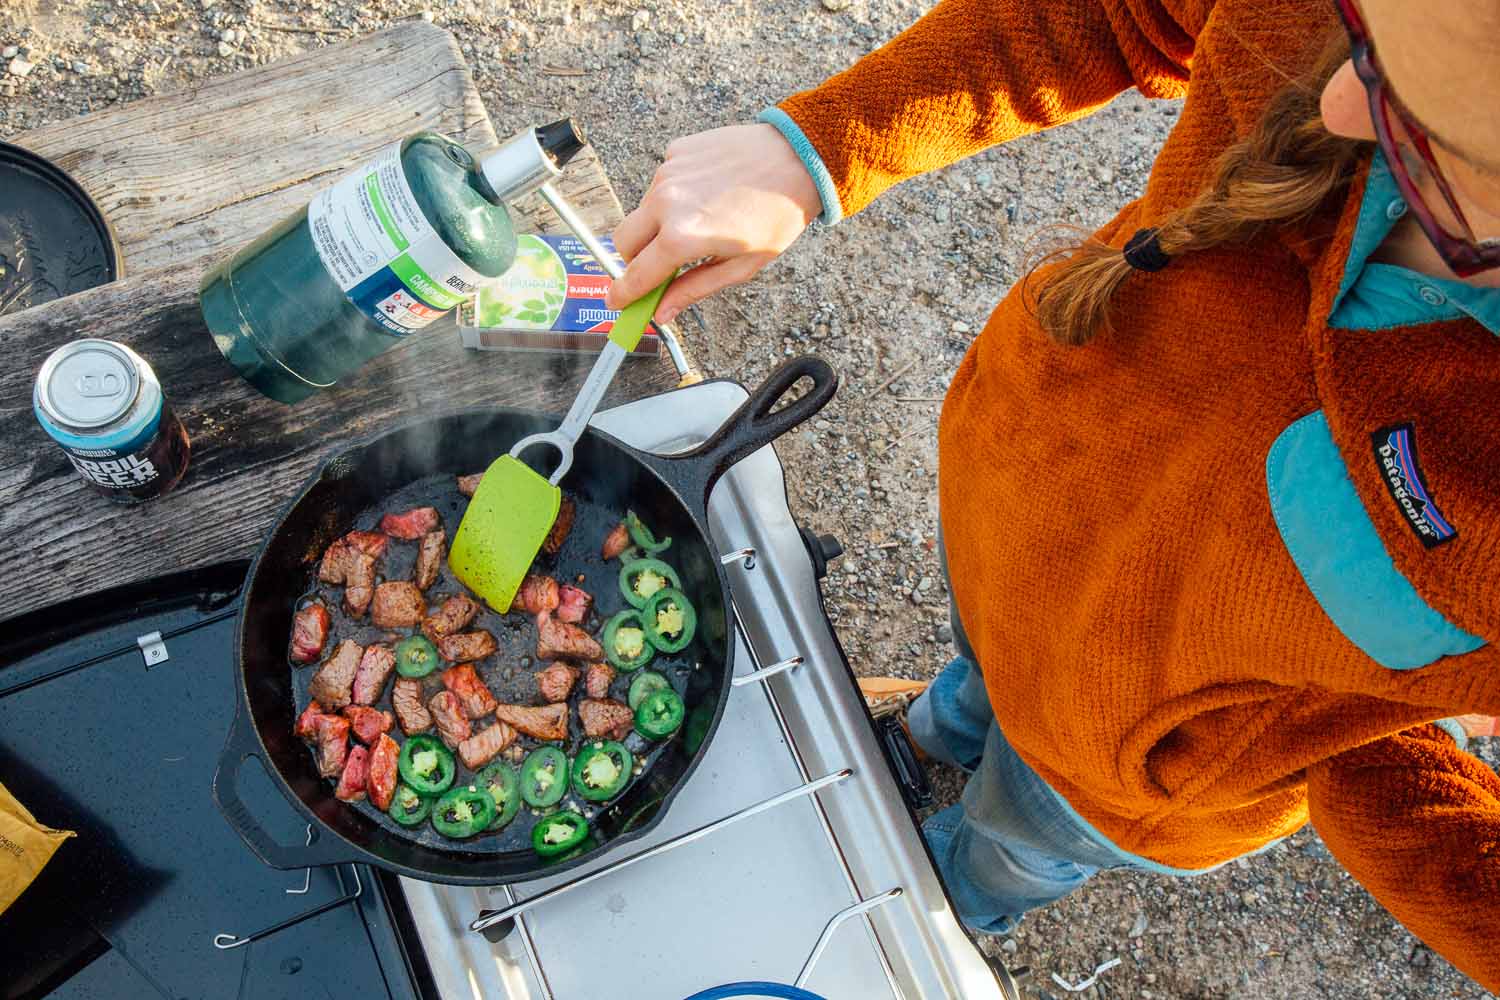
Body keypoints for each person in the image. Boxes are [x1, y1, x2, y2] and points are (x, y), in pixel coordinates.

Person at [604, 0, 1500, 990]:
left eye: (1432, 150)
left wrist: (1349, 756)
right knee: (976, 682)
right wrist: (815, 146)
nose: (1330, 100)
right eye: (1367, 43)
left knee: (1007, 842)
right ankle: (937, 726)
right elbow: (1122, 16)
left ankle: (954, 886)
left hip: (1110, 783)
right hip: (1008, 533)